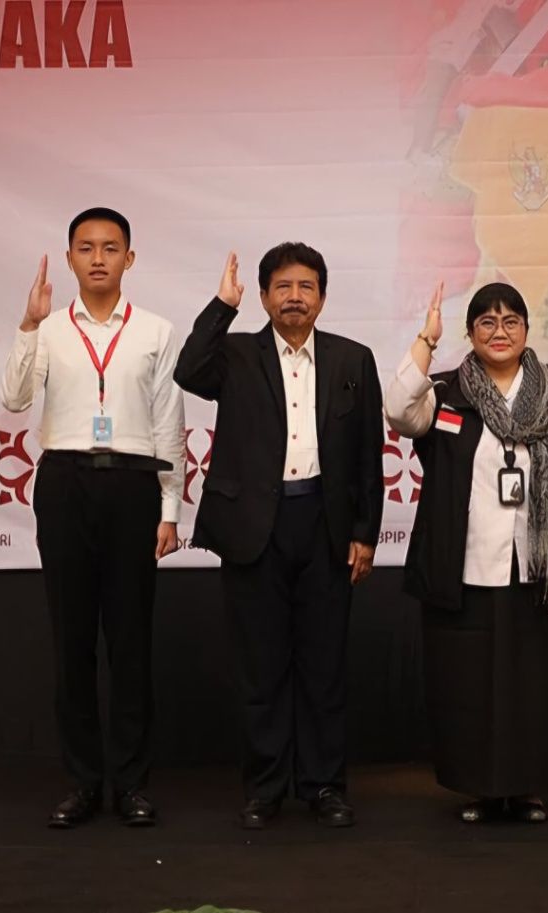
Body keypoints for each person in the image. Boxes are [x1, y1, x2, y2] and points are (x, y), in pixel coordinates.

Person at [173, 244, 385, 829]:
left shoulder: (352, 359)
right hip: (254, 529)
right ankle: (264, 788)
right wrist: (222, 306)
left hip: (326, 526)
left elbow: (368, 454)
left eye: (306, 286)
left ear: (322, 297)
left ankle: (323, 785)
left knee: (323, 667)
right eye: (283, 287)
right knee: (260, 668)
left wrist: (365, 532)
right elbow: (188, 371)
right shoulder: (236, 354)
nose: (295, 296)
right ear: (264, 297)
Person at [385, 281, 548, 824]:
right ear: (470, 333)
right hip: (466, 565)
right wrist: (425, 341)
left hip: (543, 566)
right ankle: (481, 787)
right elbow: (397, 412)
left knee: (537, 682)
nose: (499, 331)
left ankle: (529, 787)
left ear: (527, 330)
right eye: (486, 321)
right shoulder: (446, 391)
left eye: (511, 321)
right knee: (470, 684)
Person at [0, 207, 185, 829]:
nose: (98, 258)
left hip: (133, 485)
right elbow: (14, 398)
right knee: (71, 640)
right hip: (65, 483)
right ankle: (82, 782)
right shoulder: (49, 329)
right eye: (86, 247)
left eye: (110, 247)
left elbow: (169, 422)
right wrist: (28, 324)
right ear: (70, 258)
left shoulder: (156, 331)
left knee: (130, 642)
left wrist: (169, 508)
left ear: (129, 258)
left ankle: (131, 784)